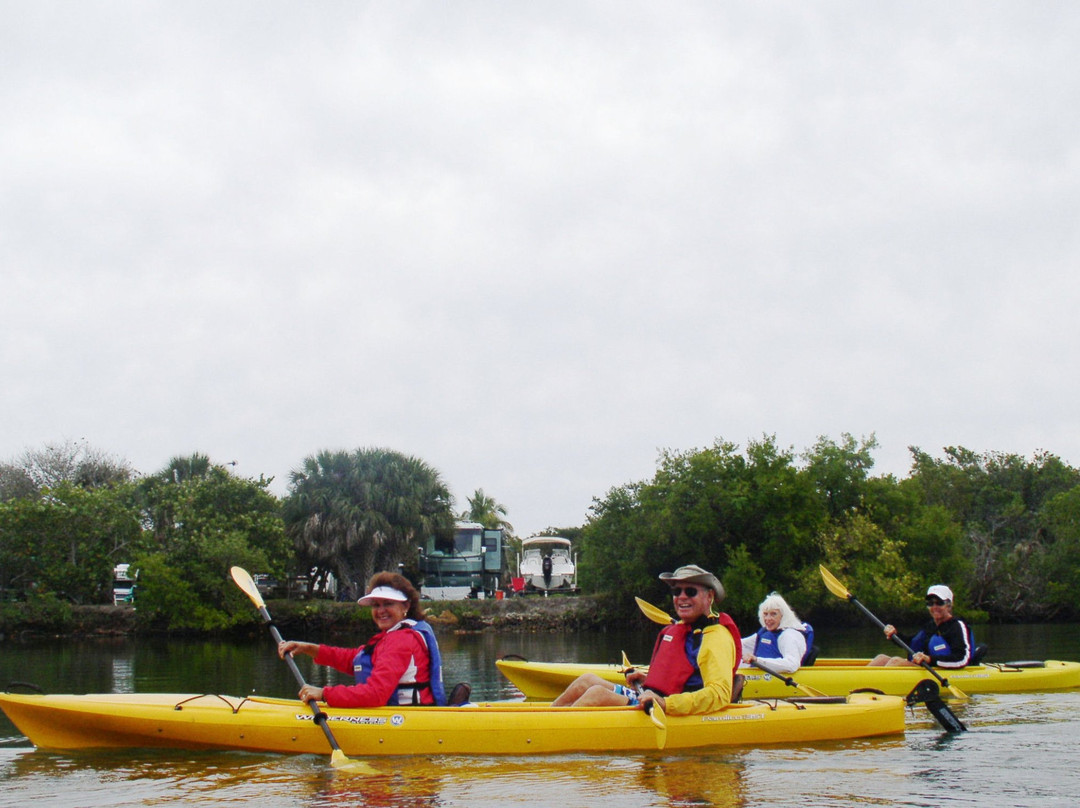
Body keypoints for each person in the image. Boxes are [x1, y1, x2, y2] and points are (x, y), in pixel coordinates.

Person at [551, 564, 742, 715]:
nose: (682, 597)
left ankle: (550, 732)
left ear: (709, 596)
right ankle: (543, 722)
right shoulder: (686, 630)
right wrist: (648, 679)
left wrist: (666, 703)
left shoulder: (715, 637)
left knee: (597, 694)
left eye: (690, 591)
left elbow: (719, 694)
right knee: (586, 681)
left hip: (671, 709)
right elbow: (683, 673)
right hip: (652, 697)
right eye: (677, 591)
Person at [278, 571, 448, 707]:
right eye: (376, 605)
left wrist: (324, 694)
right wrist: (309, 649)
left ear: (406, 606)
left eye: (388, 603)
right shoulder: (394, 635)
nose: (380, 611)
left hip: (406, 717)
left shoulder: (402, 640)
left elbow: (375, 694)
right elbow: (355, 659)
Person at [867, 584, 974, 668]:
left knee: (896, 662)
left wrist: (930, 659)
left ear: (949, 605)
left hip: (945, 672)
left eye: (939, 603)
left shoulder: (957, 626)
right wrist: (895, 635)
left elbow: (962, 659)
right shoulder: (930, 626)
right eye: (930, 603)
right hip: (924, 668)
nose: (934, 607)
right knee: (881, 658)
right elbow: (911, 644)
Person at [740, 592, 814, 674]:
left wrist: (758, 660)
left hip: (778, 678)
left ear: (783, 615)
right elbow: (741, 644)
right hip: (763, 675)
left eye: (773, 614)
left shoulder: (789, 635)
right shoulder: (766, 632)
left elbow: (792, 665)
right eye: (765, 614)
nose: (768, 618)